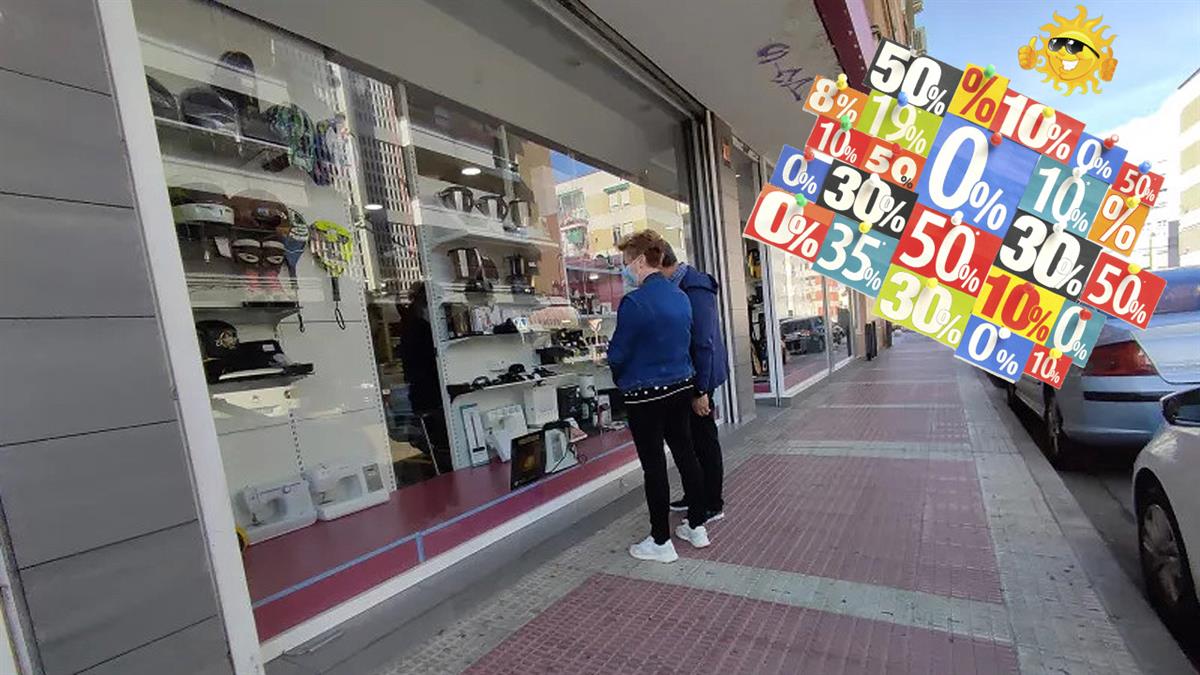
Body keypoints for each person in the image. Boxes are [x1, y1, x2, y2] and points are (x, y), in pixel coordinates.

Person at [607, 230, 710, 563]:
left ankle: (661, 540)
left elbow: (618, 353)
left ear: (639, 261)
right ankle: (697, 525)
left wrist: (621, 379)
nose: (625, 269)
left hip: (645, 395)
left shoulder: (634, 302)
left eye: (626, 262)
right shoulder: (680, 296)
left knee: (654, 467)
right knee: (686, 454)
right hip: (681, 386)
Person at [662, 245, 729, 524]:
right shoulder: (676, 287)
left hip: (700, 377)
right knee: (688, 442)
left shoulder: (695, 287)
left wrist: (700, 390)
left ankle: (713, 503)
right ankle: (694, 494)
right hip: (686, 377)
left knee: (704, 441)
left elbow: (703, 342)